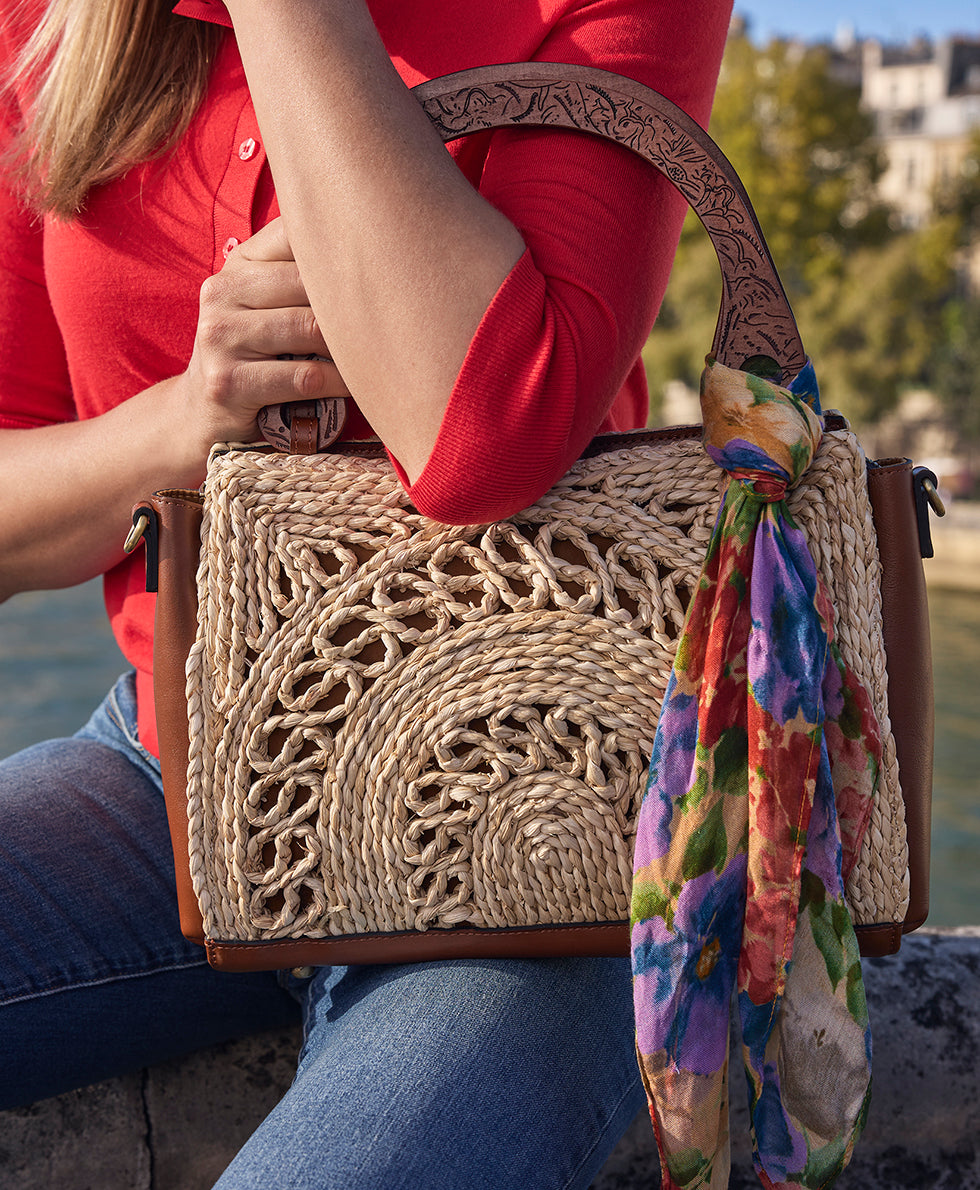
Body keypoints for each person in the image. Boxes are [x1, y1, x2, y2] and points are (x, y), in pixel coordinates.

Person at [0, 1, 732, 1185]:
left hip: (548, 841)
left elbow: (486, 437)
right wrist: (178, 425)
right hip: (172, 783)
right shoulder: (56, 22)